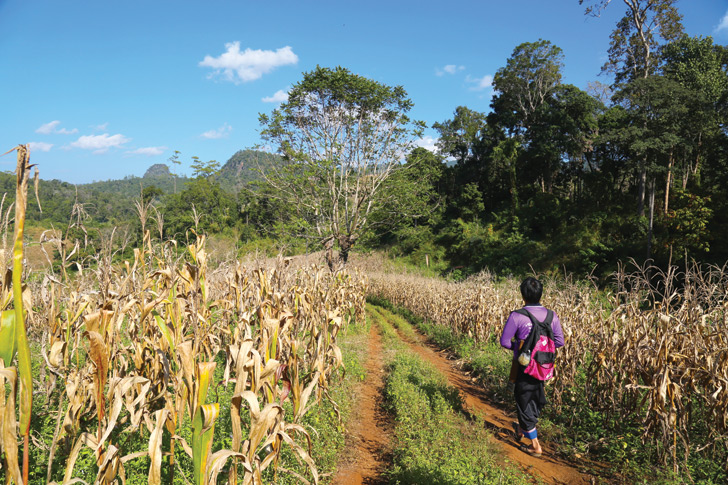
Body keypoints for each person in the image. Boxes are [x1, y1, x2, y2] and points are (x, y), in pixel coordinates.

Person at [500, 277, 564, 457]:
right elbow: (559, 341)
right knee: (534, 397)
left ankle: (535, 446)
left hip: (524, 366)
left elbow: (505, 342)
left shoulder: (518, 316)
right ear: (540, 294)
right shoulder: (552, 316)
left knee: (523, 401)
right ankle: (521, 430)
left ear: (523, 295)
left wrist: (522, 348)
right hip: (544, 366)